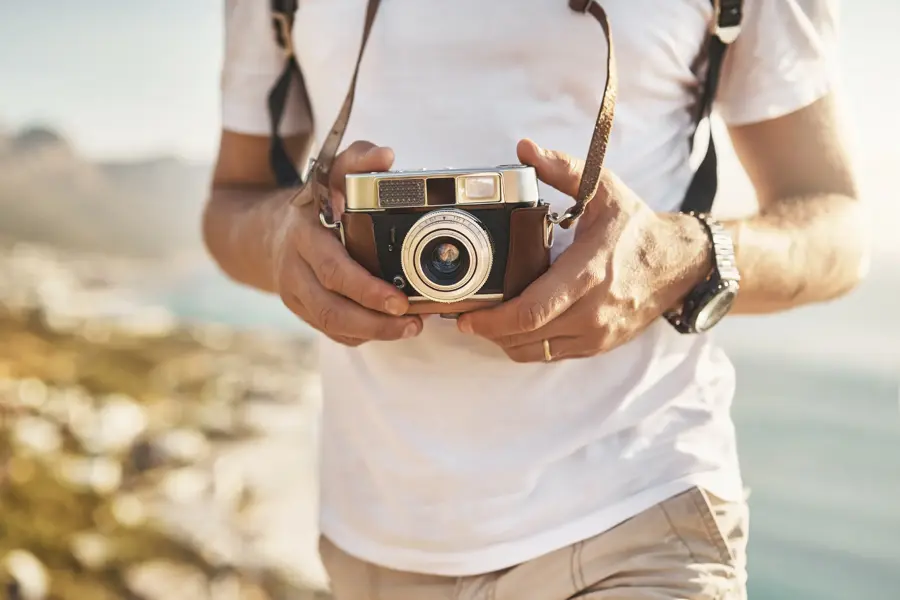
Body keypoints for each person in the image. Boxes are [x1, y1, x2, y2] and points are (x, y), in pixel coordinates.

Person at [203, 0, 869, 598]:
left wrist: (678, 257)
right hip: (378, 543)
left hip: (636, 508)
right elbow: (230, 203)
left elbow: (837, 232)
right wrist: (281, 242)